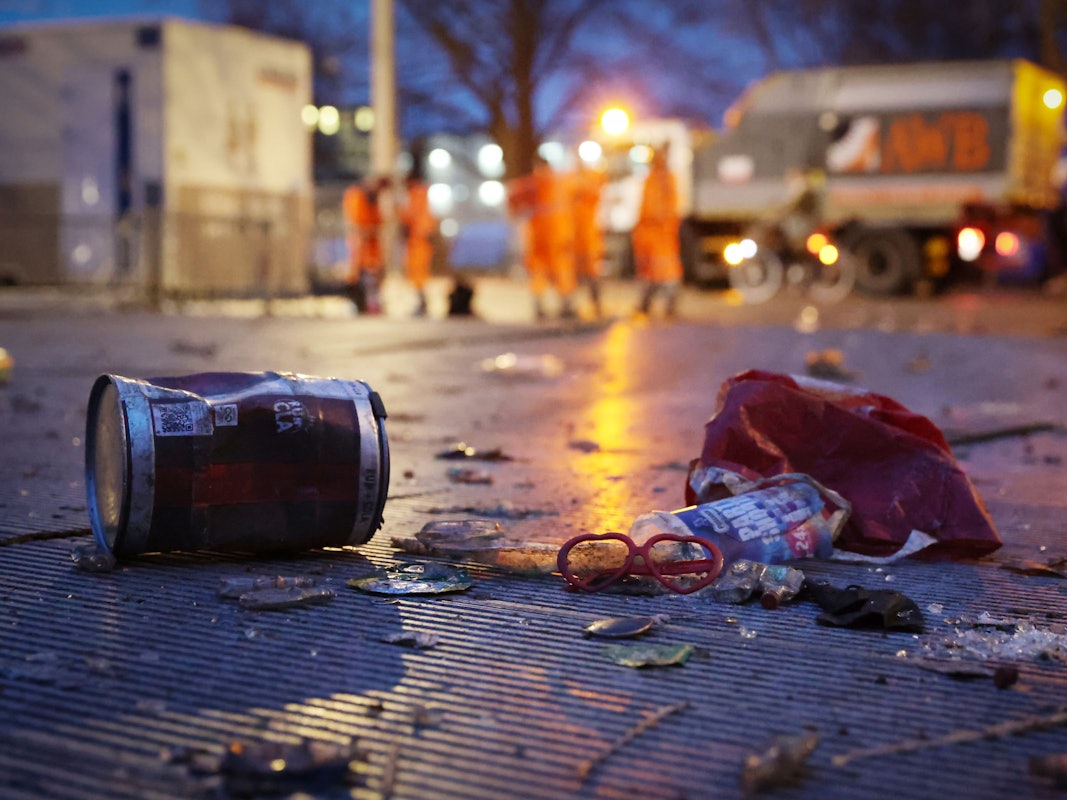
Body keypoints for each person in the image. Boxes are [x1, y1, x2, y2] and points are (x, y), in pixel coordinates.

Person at [508, 155, 576, 319]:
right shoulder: (560, 182)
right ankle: (566, 303)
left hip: (539, 234)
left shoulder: (530, 184)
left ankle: (540, 305)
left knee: (540, 270)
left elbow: (513, 198)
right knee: (561, 268)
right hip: (557, 234)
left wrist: (516, 215)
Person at [633, 145, 683, 318]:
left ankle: (667, 306)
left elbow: (666, 209)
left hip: (661, 236)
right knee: (650, 273)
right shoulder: (652, 179)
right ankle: (646, 305)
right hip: (650, 237)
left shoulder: (666, 180)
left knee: (666, 272)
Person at [342, 177, 385, 314]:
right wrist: (363, 232)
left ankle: (368, 305)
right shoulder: (356, 196)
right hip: (360, 244)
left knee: (370, 275)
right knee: (356, 275)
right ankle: (357, 304)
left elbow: (377, 222)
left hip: (369, 246)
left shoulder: (372, 199)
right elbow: (354, 222)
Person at [399, 164, 436, 317]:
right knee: (416, 273)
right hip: (417, 240)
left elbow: (415, 217)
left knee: (418, 273)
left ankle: (422, 303)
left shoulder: (418, 194)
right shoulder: (417, 195)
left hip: (419, 241)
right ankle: (420, 302)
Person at [571, 160, 606, 317]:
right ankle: (573, 306)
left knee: (592, 274)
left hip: (588, 240)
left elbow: (599, 182)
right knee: (573, 276)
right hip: (576, 240)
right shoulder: (572, 187)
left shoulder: (590, 186)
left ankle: (596, 304)